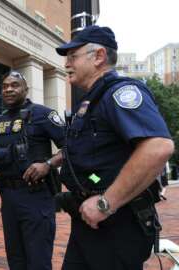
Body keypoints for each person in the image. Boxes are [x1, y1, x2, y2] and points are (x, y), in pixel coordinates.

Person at [46, 25, 175, 270]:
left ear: (99, 56)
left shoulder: (120, 93)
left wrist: (106, 203)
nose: (66, 64)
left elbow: (158, 147)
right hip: (88, 222)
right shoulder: (90, 103)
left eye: (73, 57)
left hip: (117, 224)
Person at [0, 70, 65, 270]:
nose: (8, 89)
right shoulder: (1, 119)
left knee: (37, 261)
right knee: (16, 259)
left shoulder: (42, 113)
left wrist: (47, 164)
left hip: (36, 197)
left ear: (25, 89)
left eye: (14, 85)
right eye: (5, 86)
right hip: (9, 199)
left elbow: (72, 147)